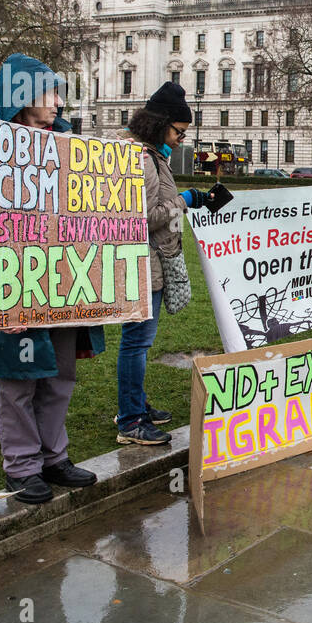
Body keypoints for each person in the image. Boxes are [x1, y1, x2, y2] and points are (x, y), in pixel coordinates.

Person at [0, 54, 104, 503]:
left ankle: (54, 457)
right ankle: (22, 466)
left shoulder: (74, 146)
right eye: (50, 93)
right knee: (19, 380)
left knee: (59, 375)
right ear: (23, 99)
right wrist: (0, 298)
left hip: (67, 284)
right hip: (14, 282)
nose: (58, 103)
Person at [116, 81, 212, 445]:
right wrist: (185, 200)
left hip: (150, 259)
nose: (180, 140)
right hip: (143, 261)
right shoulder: (142, 158)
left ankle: (135, 404)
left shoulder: (151, 154)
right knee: (137, 342)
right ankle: (130, 421)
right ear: (160, 123)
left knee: (139, 341)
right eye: (178, 131)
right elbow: (141, 216)